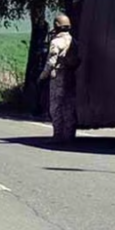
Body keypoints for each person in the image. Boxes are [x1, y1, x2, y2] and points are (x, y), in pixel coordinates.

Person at [38, 14, 78, 142]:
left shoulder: (56, 42)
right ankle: (69, 135)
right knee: (69, 106)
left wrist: (42, 76)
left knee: (56, 106)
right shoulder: (74, 41)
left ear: (56, 26)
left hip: (58, 76)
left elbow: (51, 62)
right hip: (71, 76)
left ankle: (58, 135)